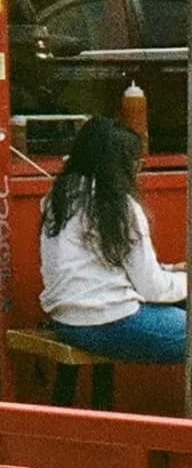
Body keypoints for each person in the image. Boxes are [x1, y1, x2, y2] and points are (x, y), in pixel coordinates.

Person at [41, 114, 188, 363]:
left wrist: (172, 270)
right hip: (113, 321)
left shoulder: (58, 199)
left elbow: (99, 268)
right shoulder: (120, 207)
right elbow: (154, 288)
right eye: (135, 163)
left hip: (67, 322)